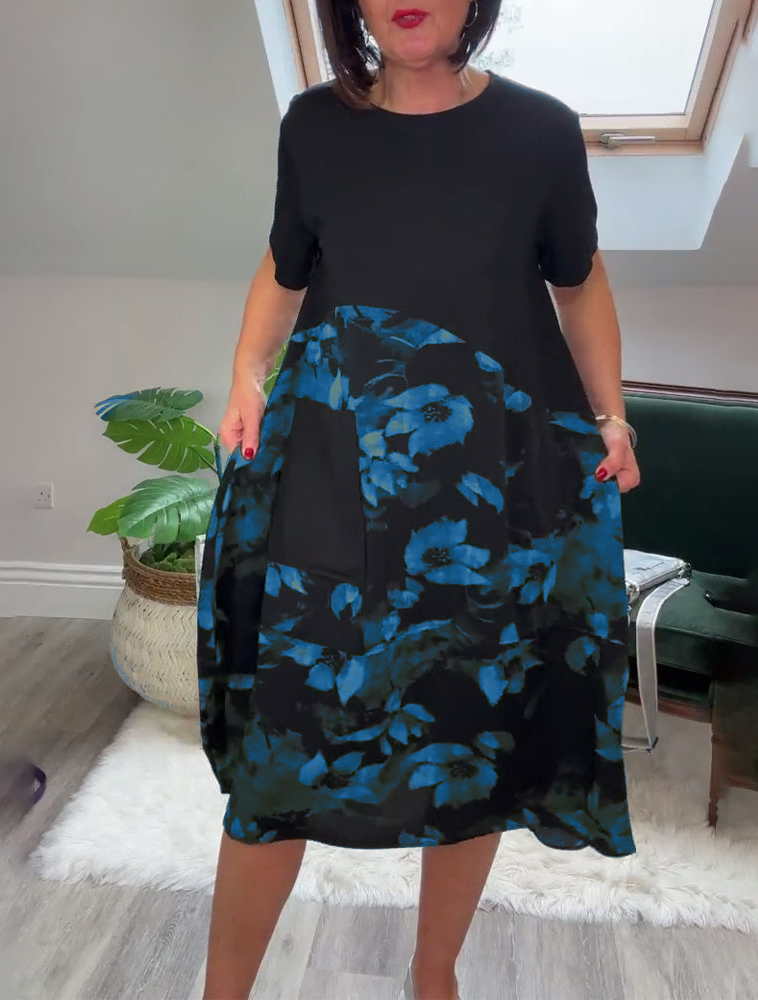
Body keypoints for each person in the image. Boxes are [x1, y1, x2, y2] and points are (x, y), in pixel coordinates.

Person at [196, 1, 642, 998]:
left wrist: (611, 415)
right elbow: (284, 265)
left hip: (494, 491)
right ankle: (224, 989)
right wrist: (245, 370)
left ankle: (433, 974)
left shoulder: (539, 131)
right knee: (288, 747)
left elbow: (578, 284)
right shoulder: (314, 125)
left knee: (471, 736)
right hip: (334, 476)